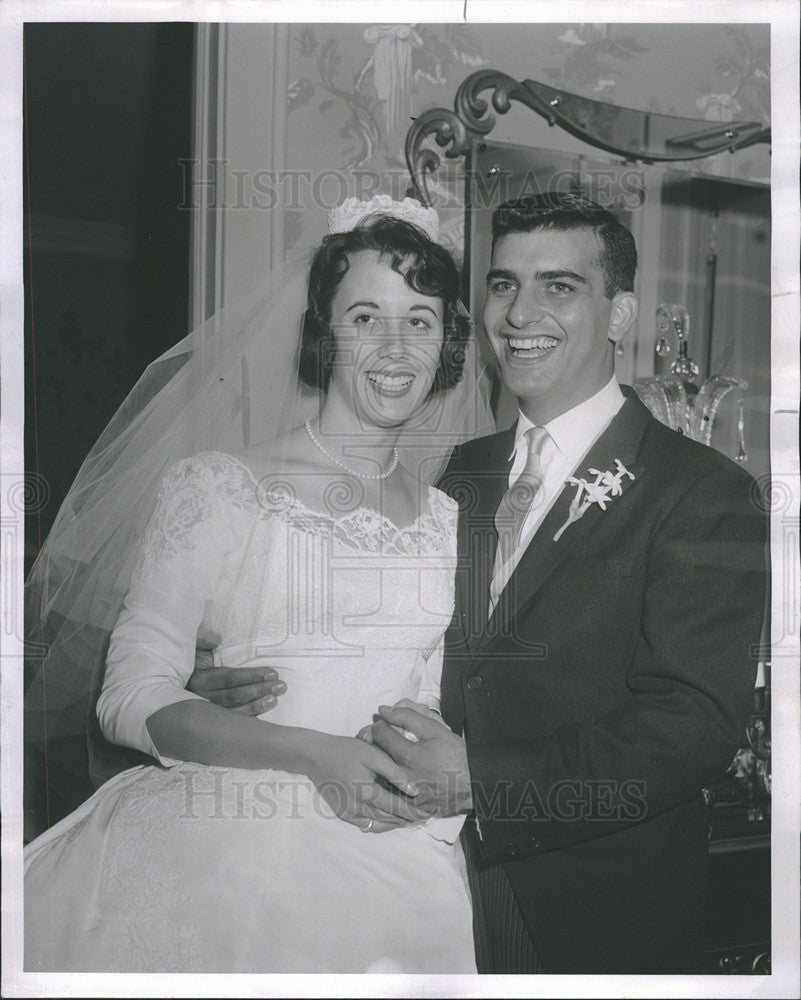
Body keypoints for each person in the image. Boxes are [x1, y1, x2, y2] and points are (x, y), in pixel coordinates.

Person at [192, 194, 768, 974]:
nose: (521, 312)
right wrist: (240, 683)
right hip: (416, 877)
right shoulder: (460, 475)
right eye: (502, 285)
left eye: (558, 286)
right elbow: (405, 645)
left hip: (587, 907)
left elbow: (692, 723)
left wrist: (485, 782)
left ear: (620, 313)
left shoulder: (701, 489)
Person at [23, 197, 494, 973]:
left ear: (446, 342)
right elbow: (131, 695)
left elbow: (441, 698)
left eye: (420, 320)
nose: (394, 345)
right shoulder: (219, 484)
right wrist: (314, 755)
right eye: (365, 316)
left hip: (396, 858)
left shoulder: (451, 520)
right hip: (227, 836)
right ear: (322, 334)